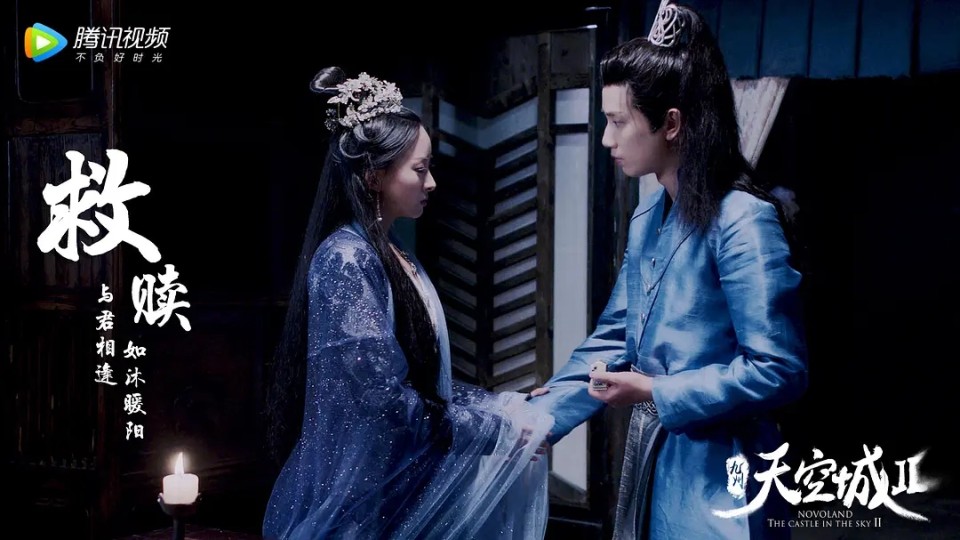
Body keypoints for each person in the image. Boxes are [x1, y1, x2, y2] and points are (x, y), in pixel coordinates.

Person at [526, 2, 808, 539]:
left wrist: (656, 391)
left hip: (725, 466)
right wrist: (545, 417)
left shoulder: (743, 220)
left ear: (671, 123)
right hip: (656, 455)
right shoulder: (649, 215)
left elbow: (778, 369)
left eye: (617, 122)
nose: (606, 139)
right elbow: (616, 335)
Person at [262, 67, 554, 540]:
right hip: (367, 498)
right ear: (374, 175)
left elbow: (422, 382)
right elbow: (384, 400)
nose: (432, 182)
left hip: (403, 482)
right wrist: (494, 430)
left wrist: (503, 406)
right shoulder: (346, 258)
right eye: (420, 169)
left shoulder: (392, 252)